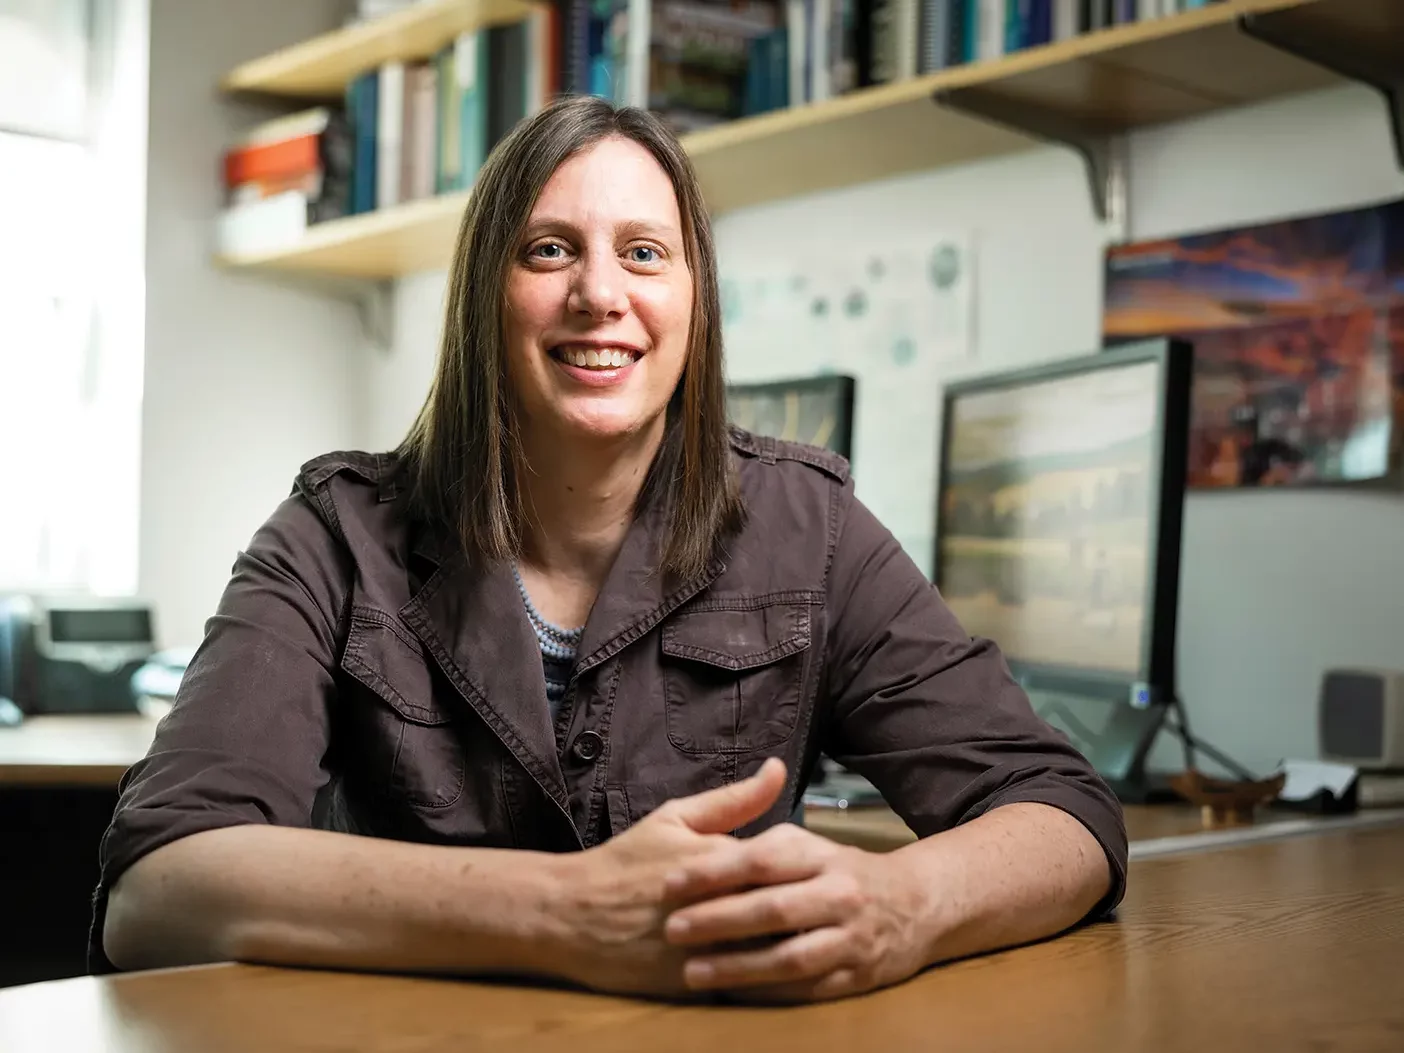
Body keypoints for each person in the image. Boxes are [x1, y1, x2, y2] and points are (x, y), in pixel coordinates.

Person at [95, 95, 1127, 1003]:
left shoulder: (810, 528)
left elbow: (1065, 813)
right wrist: (564, 911)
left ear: (692, 302)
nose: (601, 294)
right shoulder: (334, 534)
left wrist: (902, 899)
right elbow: (159, 889)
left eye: (644, 252)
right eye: (550, 250)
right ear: (483, 298)